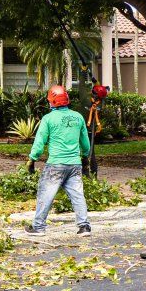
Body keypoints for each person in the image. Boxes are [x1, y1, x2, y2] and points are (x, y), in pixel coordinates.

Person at [26, 85, 94, 235]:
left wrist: (32, 159)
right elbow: (85, 142)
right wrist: (85, 157)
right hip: (75, 164)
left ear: (52, 102)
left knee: (46, 194)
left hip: (56, 164)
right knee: (77, 195)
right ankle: (84, 226)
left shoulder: (48, 119)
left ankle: (38, 227)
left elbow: (39, 142)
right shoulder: (78, 117)